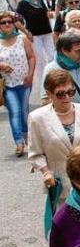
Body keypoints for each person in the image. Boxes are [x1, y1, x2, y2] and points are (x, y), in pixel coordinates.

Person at [28, 69, 80, 202]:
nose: (67, 97)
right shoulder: (37, 118)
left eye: (70, 92)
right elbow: (35, 153)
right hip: (61, 186)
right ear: (49, 94)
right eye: (60, 94)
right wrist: (46, 172)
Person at [0, 10, 35, 156]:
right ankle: (19, 142)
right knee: (15, 112)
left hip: (25, 81)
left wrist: (31, 75)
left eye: (10, 22)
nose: (7, 24)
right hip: (8, 84)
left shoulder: (22, 39)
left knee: (24, 111)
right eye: (3, 22)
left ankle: (28, 137)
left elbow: (31, 57)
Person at [16, 0, 53, 96]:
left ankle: (53, 79)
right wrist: (27, 32)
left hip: (47, 32)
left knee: (52, 56)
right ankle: (43, 86)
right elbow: (16, 21)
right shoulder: (23, 3)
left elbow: (48, 13)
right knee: (40, 60)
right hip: (35, 35)